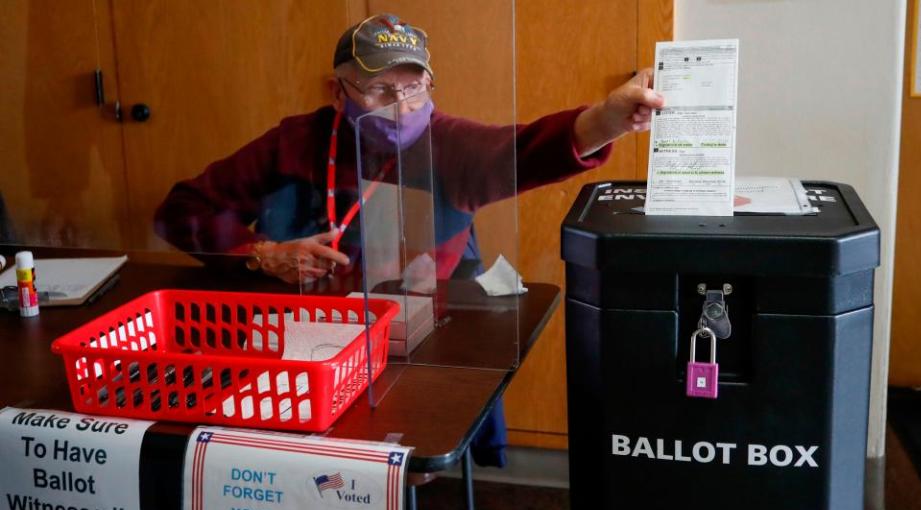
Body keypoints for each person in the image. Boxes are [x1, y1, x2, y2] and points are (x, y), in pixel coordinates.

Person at [154, 13, 664, 466]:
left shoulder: (449, 143)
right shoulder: (293, 141)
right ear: (338, 92)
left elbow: (526, 150)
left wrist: (605, 121)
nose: (400, 106)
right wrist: (260, 256)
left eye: (413, 88)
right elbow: (182, 209)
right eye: (378, 90)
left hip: (410, 341)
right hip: (304, 330)